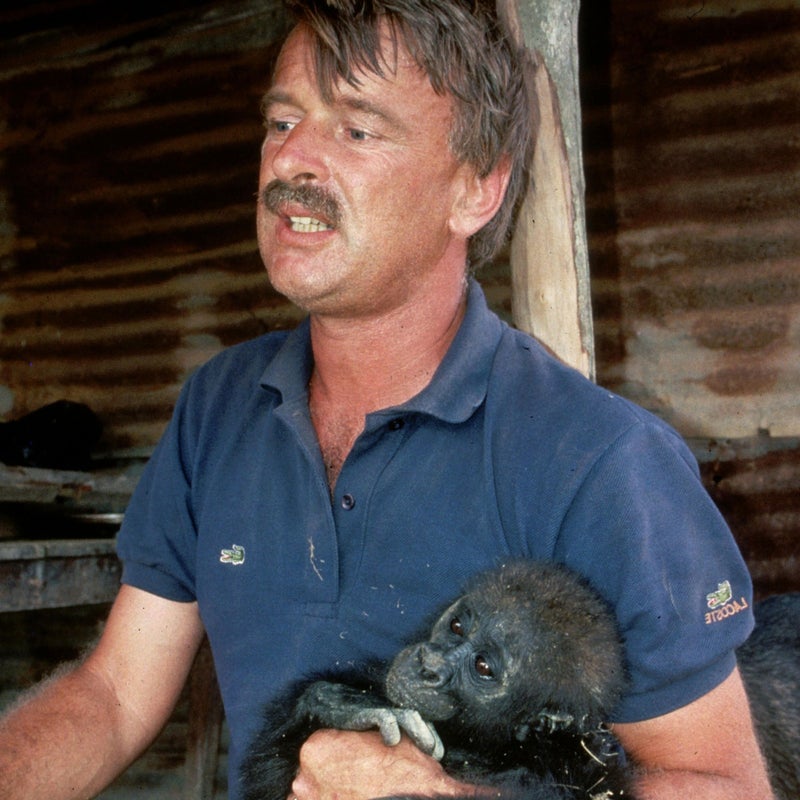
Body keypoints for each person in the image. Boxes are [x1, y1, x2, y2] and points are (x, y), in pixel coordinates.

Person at [0, 1, 774, 799]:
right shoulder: (219, 407)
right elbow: (115, 695)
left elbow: (722, 783)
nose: (291, 160)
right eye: (280, 121)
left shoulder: (602, 461)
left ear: (475, 189)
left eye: (356, 129)